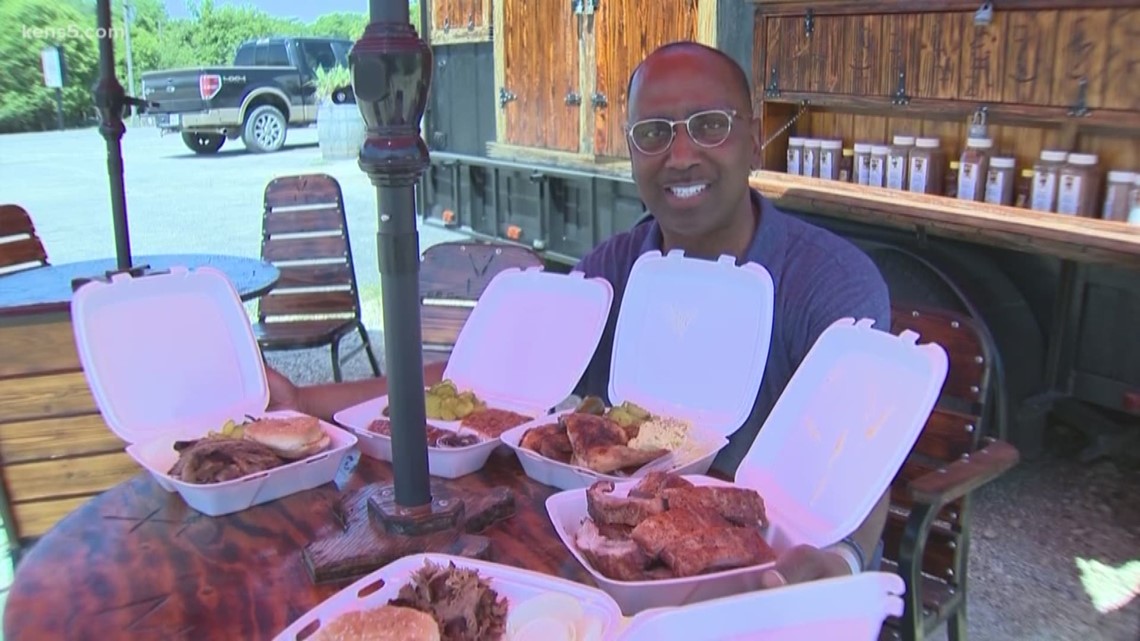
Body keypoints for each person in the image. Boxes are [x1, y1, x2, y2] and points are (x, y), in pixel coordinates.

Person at [266, 41, 891, 590]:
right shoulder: (611, 271)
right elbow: (475, 382)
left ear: (755, 137)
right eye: (653, 133)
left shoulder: (829, 283)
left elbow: (867, 458)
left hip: (766, 574)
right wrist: (306, 400)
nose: (680, 155)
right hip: (618, 565)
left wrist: (840, 562)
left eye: (708, 125)